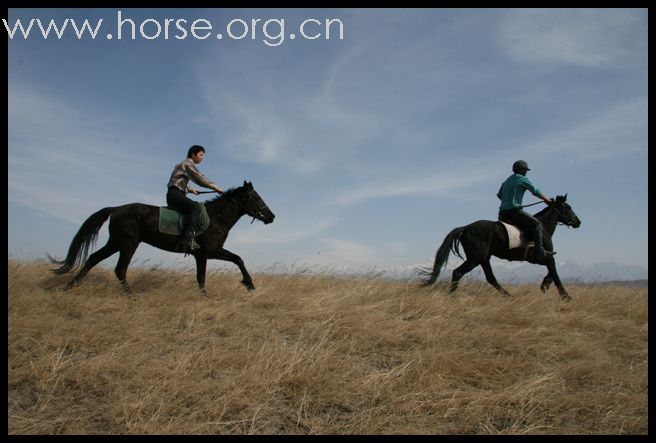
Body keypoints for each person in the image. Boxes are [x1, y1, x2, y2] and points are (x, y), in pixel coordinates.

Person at [167, 145, 224, 253]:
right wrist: (215, 187)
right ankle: (187, 240)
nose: (202, 158)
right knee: (196, 207)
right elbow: (199, 178)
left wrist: (191, 189)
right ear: (193, 154)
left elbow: (177, 181)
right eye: (200, 155)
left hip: (175, 194)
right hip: (175, 194)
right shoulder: (187, 164)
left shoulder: (181, 164)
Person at [497, 160, 556, 259]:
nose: (526, 172)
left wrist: (508, 200)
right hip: (514, 212)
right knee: (537, 224)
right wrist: (546, 200)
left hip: (502, 213)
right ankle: (540, 251)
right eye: (525, 170)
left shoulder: (506, 181)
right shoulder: (522, 179)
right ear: (521, 170)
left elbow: (499, 195)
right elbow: (535, 190)